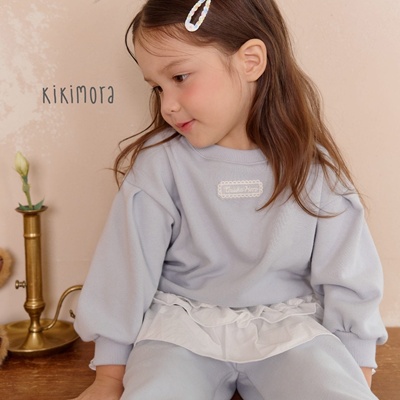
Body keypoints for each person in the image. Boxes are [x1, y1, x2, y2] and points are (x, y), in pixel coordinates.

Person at [72, 0, 387, 399]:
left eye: (180, 77)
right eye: (157, 87)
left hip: (291, 331)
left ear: (250, 61)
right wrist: (108, 378)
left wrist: (354, 375)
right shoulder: (161, 164)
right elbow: (125, 272)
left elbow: (348, 275)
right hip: (181, 331)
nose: (167, 105)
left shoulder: (313, 168)